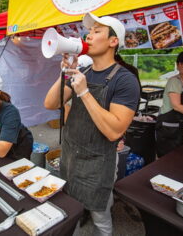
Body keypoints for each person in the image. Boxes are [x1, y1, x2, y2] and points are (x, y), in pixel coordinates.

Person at [44, 13, 140, 236]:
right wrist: (65, 72)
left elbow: (114, 131)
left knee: (99, 216)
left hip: (98, 163)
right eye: (89, 30)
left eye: (97, 31)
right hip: (71, 157)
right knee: (71, 208)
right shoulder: (82, 71)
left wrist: (85, 93)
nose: (88, 35)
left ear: (113, 42)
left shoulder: (124, 80)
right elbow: (50, 103)